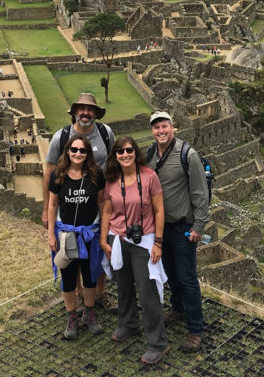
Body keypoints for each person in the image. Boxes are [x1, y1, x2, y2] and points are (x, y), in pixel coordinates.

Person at [100, 136, 169, 365]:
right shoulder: (112, 180)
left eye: (129, 150)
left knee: (148, 290)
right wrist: (104, 241)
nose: (125, 154)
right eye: (120, 151)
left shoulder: (149, 177)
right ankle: (128, 323)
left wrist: (158, 242)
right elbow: (107, 213)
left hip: (144, 240)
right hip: (119, 239)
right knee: (123, 286)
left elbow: (159, 211)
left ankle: (157, 343)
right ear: (115, 155)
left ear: (135, 152)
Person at [43, 93, 116, 308]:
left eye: (90, 109)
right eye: (81, 109)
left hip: (98, 205)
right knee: (70, 254)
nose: (85, 113)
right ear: (74, 112)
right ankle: (78, 296)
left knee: (97, 254)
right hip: (69, 206)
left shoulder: (105, 133)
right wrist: (45, 209)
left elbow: (114, 163)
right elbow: (49, 172)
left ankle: (99, 294)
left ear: (95, 113)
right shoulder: (62, 137)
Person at [146, 110, 209, 353]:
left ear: (173, 127)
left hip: (183, 227)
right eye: (156, 127)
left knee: (187, 277)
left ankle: (195, 329)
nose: (160, 131)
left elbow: (200, 193)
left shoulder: (188, 155)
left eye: (164, 126)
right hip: (160, 227)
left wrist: (199, 227)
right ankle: (178, 308)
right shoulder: (151, 152)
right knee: (170, 272)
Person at [46, 133, 106, 339]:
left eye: (82, 150)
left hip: (89, 233)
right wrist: (50, 234)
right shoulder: (58, 175)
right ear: (68, 152)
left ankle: (89, 312)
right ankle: (72, 316)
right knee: (69, 277)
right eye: (74, 150)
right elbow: (52, 204)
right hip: (67, 234)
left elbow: (101, 204)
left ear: (88, 153)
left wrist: (102, 233)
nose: (78, 153)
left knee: (90, 277)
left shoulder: (96, 175)